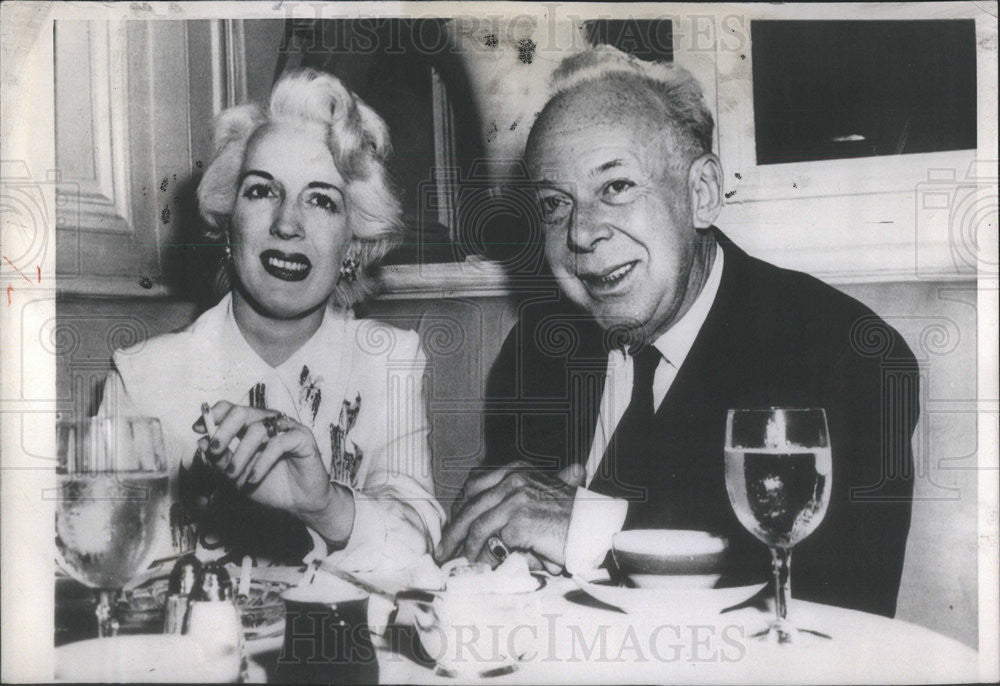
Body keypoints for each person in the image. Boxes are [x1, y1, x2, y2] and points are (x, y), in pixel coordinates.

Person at [437, 46, 917, 617]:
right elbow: (501, 542)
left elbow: (834, 608)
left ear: (701, 193)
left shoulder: (847, 353)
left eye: (615, 186)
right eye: (554, 204)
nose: (582, 233)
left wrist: (590, 529)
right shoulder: (539, 345)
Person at [99, 69, 444, 571]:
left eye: (321, 200)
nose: (287, 223)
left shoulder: (389, 359)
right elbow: (103, 557)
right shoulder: (142, 377)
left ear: (353, 243)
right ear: (227, 223)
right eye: (262, 192)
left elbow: (421, 536)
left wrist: (324, 504)